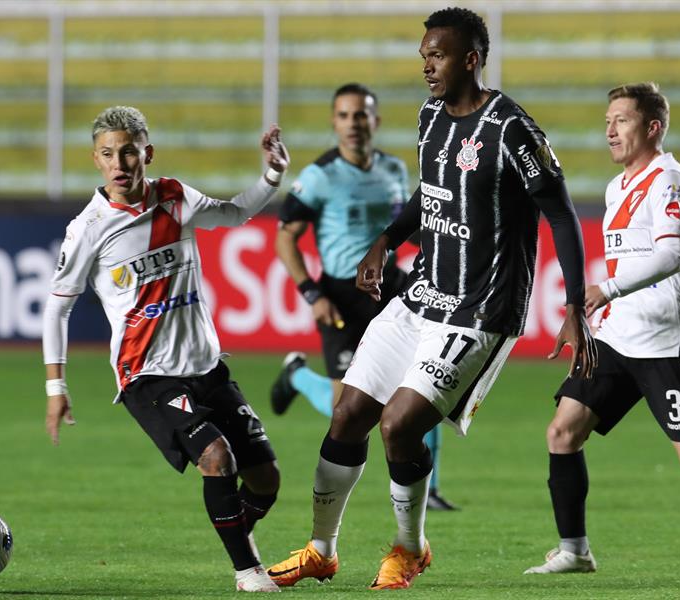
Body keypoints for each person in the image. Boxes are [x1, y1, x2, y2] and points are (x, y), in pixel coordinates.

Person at [267, 7, 595, 590]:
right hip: (420, 295)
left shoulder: (511, 128)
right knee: (347, 415)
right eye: (423, 56)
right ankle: (322, 549)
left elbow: (561, 213)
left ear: (471, 58)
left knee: (399, 425)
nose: (426, 67)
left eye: (437, 56)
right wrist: (385, 241)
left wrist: (574, 306)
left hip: (480, 308)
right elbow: (430, 193)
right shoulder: (430, 117)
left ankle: (409, 547)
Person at [524, 83, 680, 575]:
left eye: (622, 120)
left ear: (652, 127)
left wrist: (607, 289)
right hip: (616, 341)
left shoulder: (669, 179)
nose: (610, 130)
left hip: (664, 344)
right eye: (608, 120)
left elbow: (669, 256)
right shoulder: (618, 187)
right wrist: (603, 314)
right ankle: (575, 550)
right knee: (562, 432)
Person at [41, 106, 290, 593]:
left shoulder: (175, 197)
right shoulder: (88, 228)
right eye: (109, 154)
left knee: (267, 480)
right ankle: (247, 572)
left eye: (129, 151)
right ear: (96, 160)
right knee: (216, 458)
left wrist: (273, 174)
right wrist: (57, 386)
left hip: (206, 367)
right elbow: (56, 309)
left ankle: (236, 533)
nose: (120, 163)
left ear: (146, 153)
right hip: (147, 375)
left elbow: (236, 212)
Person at [269, 82, 457, 511]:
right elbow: (286, 238)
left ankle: (431, 490)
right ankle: (297, 376)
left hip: (392, 287)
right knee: (347, 405)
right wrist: (311, 293)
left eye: (361, 114)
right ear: (335, 122)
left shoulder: (393, 170)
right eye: (345, 115)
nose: (353, 123)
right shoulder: (320, 176)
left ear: (375, 120)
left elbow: (406, 228)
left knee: (425, 384)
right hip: (341, 296)